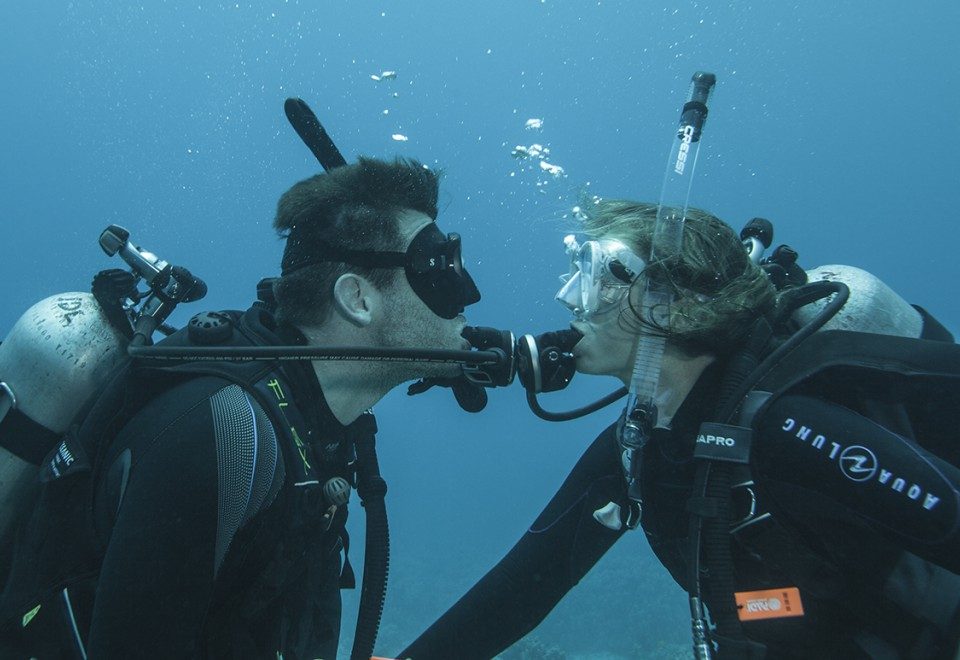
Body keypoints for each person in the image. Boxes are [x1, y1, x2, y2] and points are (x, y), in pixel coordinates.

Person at [398, 200, 960, 659]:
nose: (569, 297)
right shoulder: (641, 444)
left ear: (679, 307)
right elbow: (522, 591)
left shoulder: (785, 429)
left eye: (599, 278)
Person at [0, 156, 481, 658]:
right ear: (357, 299)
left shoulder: (311, 412)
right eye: (437, 267)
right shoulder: (231, 435)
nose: (467, 293)